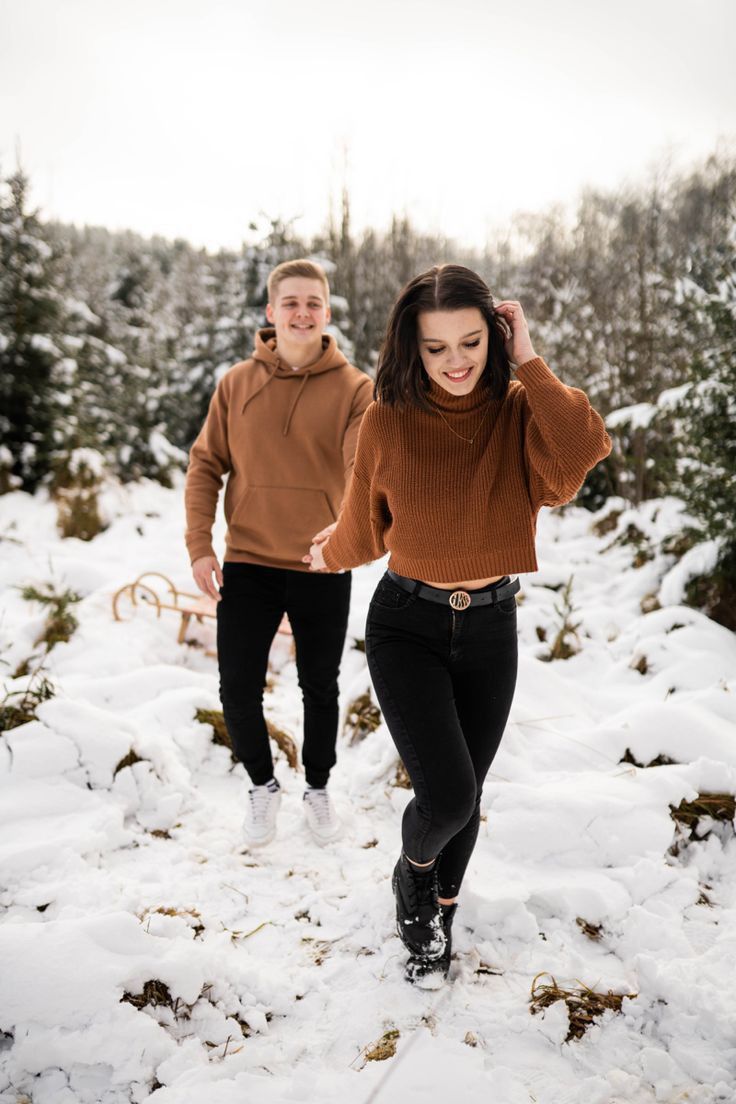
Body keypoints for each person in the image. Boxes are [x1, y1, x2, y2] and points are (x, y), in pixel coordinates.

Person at [304, 264, 611, 985]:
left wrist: (529, 359)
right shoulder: (387, 419)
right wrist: (328, 553)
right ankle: (413, 881)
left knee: (469, 789)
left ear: (494, 336)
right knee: (448, 796)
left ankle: (442, 905)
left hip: (491, 627)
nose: (455, 361)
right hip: (406, 623)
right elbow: (366, 527)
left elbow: (579, 453)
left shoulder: (518, 411)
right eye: (435, 348)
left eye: (470, 342)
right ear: (411, 348)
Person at [185, 259, 373, 847]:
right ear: (271, 312)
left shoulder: (355, 388)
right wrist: (199, 545)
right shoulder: (237, 384)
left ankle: (317, 788)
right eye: (290, 302)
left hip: (322, 561)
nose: (301, 313)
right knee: (236, 688)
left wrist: (347, 534)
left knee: (320, 685)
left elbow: (359, 469)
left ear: (327, 311)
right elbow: (204, 466)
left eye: (312, 302)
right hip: (247, 558)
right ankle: (263, 786)